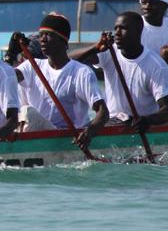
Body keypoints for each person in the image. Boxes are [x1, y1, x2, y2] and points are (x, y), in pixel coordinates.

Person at [9, 14, 109, 150]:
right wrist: (10, 55)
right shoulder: (32, 66)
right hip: (36, 133)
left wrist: (89, 132)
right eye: (41, 35)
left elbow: (103, 112)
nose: (42, 40)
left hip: (67, 137)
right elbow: (5, 80)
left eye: (48, 35)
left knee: (28, 112)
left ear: (63, 40)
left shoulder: (81, 72)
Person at [75, 12, 168, 131]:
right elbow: (68, 62)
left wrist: (147, 120)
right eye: (116, 28)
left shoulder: (156, 65)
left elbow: (167, 111)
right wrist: (95, 48)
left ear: (138, 31)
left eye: (123, 28)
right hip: (110, 120)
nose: (117, 33)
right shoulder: (109, 52)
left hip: (136, 124)